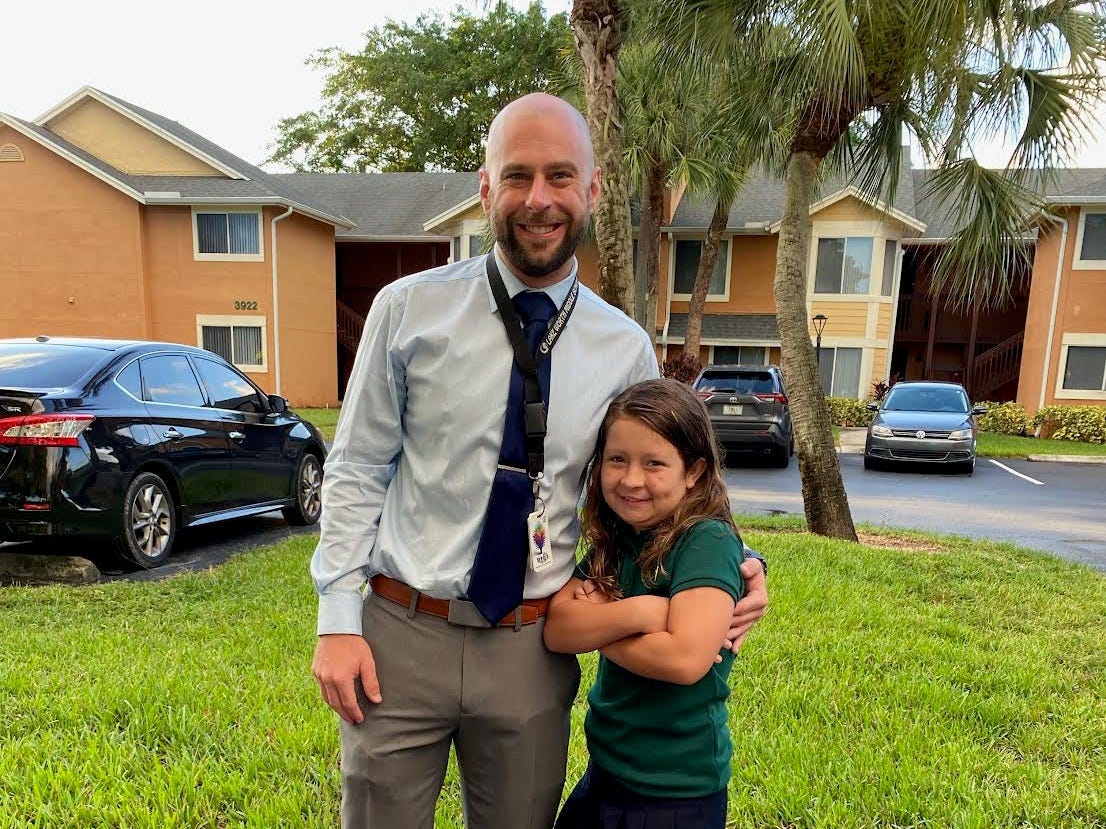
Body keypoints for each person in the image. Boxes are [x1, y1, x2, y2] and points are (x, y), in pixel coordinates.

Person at [310, 92, 768, 829]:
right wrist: (338, 617)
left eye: (561, 176)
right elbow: (358, 466)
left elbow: (653, 485)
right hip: (401, 631)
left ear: (591, 190)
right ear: (486, 188)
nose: (538, 199)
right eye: (517, 176)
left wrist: (739, 562)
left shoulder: (624, 347)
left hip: (531, 642)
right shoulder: (406, 310)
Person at [544, 379, 748, 829]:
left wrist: (600, 623)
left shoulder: (706, 540)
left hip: (677, 793)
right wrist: (640, 613)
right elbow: (557, 629)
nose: (631, 479)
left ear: (693, 471)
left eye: (654, 463)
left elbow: (684, 659)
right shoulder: (617, 539)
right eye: (617, 460)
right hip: (605, 774)